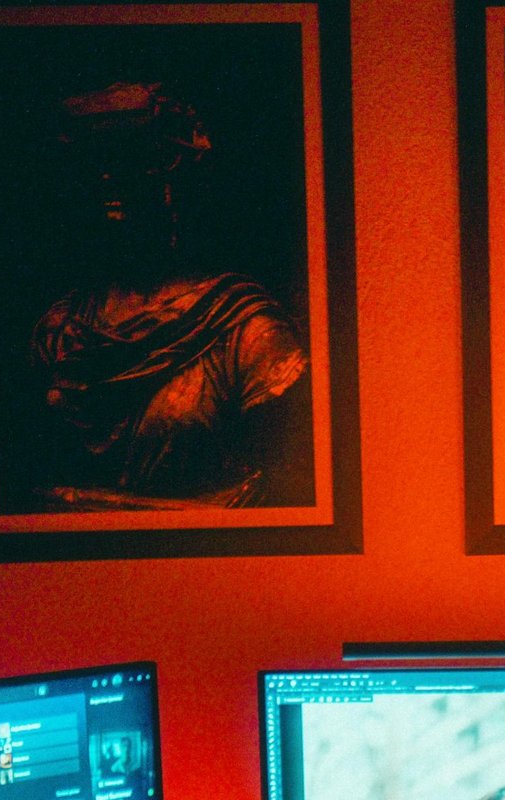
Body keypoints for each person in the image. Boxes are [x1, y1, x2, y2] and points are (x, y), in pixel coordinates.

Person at [27, 83, 311, 510]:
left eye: (133, 162)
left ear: (175, 182)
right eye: (98, 163)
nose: (110, 181)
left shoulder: (250, 335)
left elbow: (287, 491)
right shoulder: (61, 330)